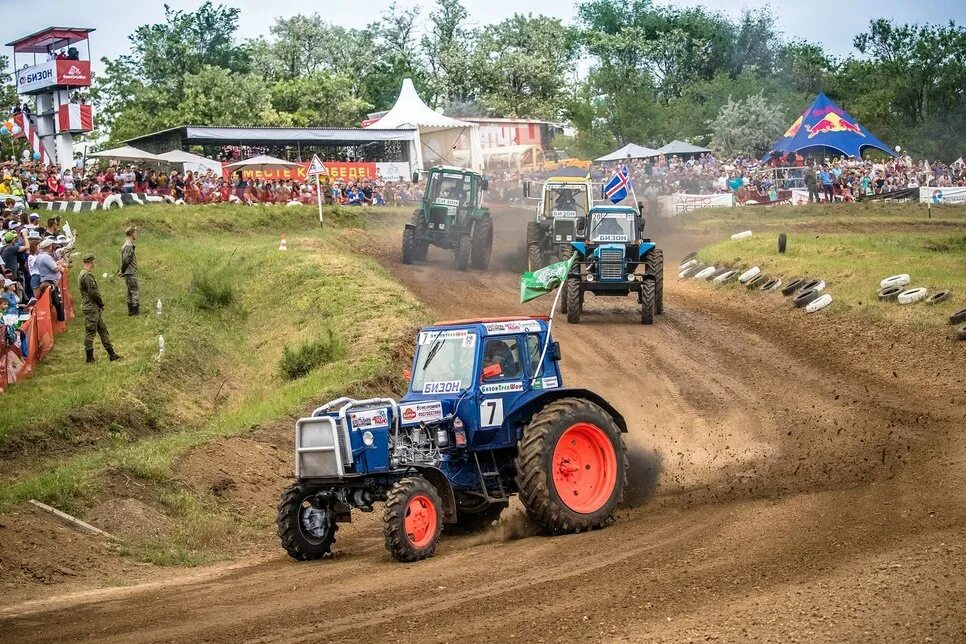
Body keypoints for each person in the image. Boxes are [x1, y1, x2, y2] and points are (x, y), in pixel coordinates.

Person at [78, 253, 121, 363]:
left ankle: (112, 354)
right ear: (91, 262)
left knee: (102, 329)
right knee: (90, 332)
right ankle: (89, 358)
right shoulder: (87, 275)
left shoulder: (82, 274)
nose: (94, 264)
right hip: (91, 306)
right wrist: (100, 303)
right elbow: (93, 292)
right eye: (93, 262)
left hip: (91, 306)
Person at [119, 225, 139, 315]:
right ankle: (135, 311)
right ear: (131, 233)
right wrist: (122, 271)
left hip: (128, 272)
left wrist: (122, 271)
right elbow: (126, 260)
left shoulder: (126, 245)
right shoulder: (128, 245)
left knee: (130, 291)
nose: (136, 234)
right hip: (130, 272)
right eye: (135, 232)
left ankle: (131, 311)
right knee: (134, 291)